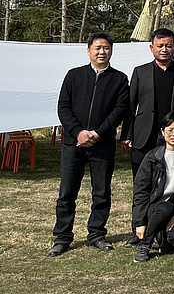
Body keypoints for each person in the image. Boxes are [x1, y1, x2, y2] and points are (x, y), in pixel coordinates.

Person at [49, 33, 130, 257]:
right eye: (97, 47)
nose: (102, 51)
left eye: (106, 48)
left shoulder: (119, 79)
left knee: (101, 192)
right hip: (72, 143)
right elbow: (63, 107)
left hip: (102, 144)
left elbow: (119, 110)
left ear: (111, 51)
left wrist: (97, 133)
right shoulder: (74, 75)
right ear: (88, 51)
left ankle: (96, 234)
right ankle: (62, 237)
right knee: (67, 192)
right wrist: (79, 132)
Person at [121, 28, 174, 248]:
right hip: (143, 137)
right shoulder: (140, 72)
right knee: (142, 186)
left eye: (168, 45)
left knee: (171, 184)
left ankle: (162, 229)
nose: (164, 49)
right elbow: (130, 106)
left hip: (173, 139)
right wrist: (127, 134)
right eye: (160, 46)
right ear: (151, 47)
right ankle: (138, 230)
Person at [131, 111, 174, 262]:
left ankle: (161, 235)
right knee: (165, 207)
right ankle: (145, 244)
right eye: (170, 129)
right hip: (153, 209)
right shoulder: (152, 157)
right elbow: (140, 191)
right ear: (162, 131)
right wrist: (140, 222)